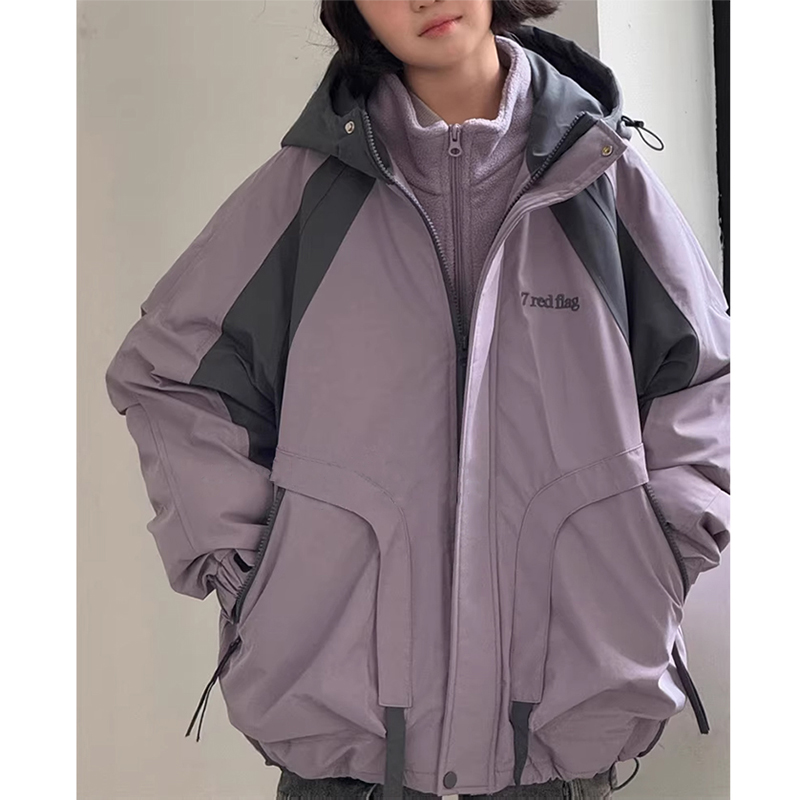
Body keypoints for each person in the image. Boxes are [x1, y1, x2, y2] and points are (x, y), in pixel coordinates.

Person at [104, 1, 730, 799]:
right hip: (347, 765)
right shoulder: (308, 193)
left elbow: (710, 379)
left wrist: (660, 550)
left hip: (559, 753)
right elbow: (169, 376)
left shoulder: (602, 180)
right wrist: (253, 574)